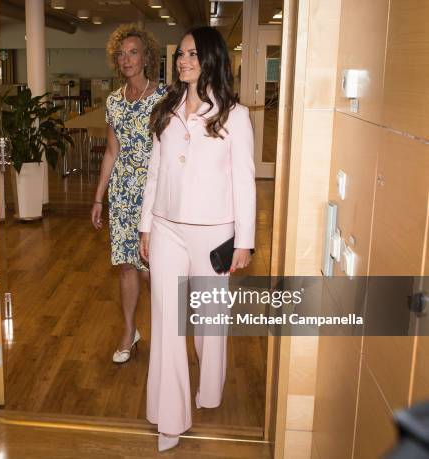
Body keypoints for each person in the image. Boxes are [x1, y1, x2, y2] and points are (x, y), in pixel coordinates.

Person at [138, 26, 256, 451]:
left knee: (208, 324)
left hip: (214, 233)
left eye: (192, 54)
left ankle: (209, 391)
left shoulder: (235, 116)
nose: (184, 61)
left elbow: (245, 182)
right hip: (167, 226)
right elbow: (155, 171)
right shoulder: (166, 111)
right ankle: (171, 417)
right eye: (181, 55)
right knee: (168, 320)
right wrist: (146, 225)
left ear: (210, 59)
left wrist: (245, 240)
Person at [91, 24, 167, 363]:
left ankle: (166, 335)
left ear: (146, 56)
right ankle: (129, 332)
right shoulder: (114, 102)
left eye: (133, 52)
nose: (126, 59)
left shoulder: (164, 98)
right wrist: (98, 198)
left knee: (155, 268)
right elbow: (111, 151)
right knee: (126, 266)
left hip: (155, 195)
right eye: (121, 54)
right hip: (122, 195)